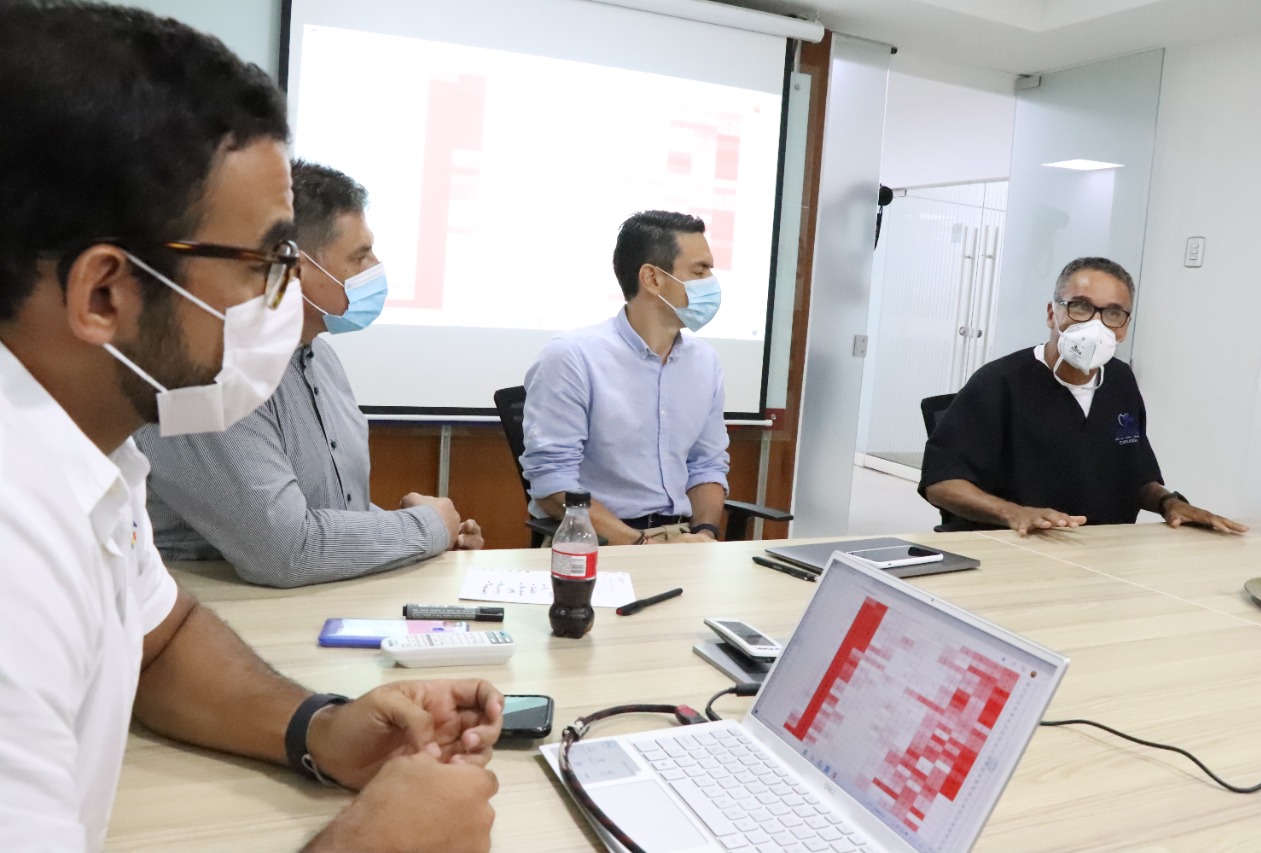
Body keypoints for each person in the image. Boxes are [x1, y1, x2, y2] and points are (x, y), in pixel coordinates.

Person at [0, 5, 500, 852]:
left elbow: (161, 643)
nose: (285, 302)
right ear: (104, 294)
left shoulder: (92, 448)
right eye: (267, 265)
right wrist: (380, 841)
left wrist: (318, 727)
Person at [136, 161, 483, 588]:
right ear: (295, 269)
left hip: (315, 604)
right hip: (217, 612)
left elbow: (329, 513)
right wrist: (426, 527)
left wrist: (422, 534)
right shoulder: (208, 370)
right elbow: (284, 551)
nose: (376, 267)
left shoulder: (321, 361)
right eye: (360, 256)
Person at [920, 256, 1247, 536]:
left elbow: (1135, 474)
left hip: (1101, 551)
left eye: (1113, 313)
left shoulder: (1120, 381)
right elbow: (941, 483)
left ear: (1124, 327)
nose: (1095, 324)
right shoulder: (998, 382)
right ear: (1052, 313)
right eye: (1080, 307)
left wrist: (1169, 503)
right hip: (1016, 548)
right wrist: (1014, 514)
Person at [521, 210, 730, 545]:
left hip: (681, 540)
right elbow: (553, 485)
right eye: (699, 271)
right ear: (652, 279)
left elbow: (706, 465)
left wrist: (705, 534)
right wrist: (640, 545)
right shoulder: (572, 357)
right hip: (599, 541)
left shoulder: (705, 362)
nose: (710, 282)